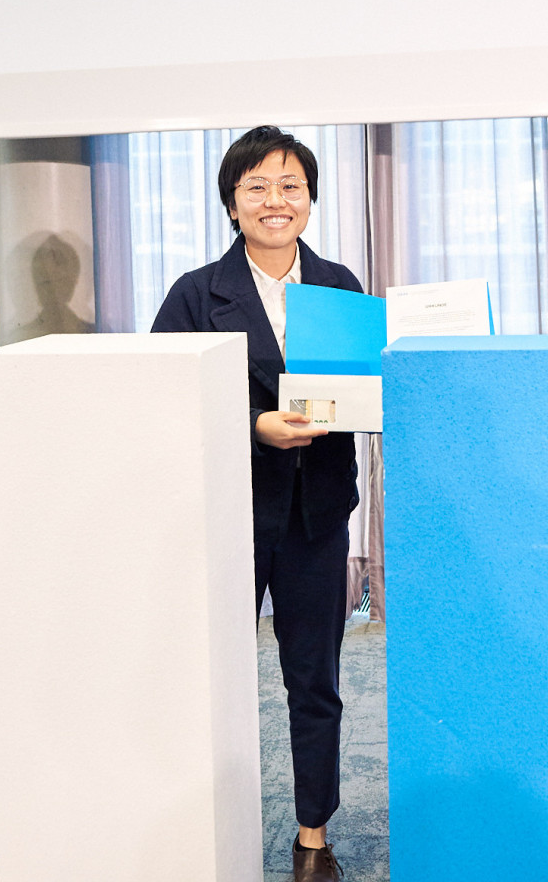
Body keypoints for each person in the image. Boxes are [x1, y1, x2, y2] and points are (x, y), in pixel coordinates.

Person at [151, 126, 361, 882]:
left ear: (310, 199)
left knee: (315, 681)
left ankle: (313, 834)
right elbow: (163, 401)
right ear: (232, 203)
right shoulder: (194, 293)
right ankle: (201, 824)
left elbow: (362, 388)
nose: (276, 201)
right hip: (225, 517)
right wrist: (253, 427)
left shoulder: (339, 285)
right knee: (209, 681)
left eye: (290, 186)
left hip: (316, 517)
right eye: (257, 187)